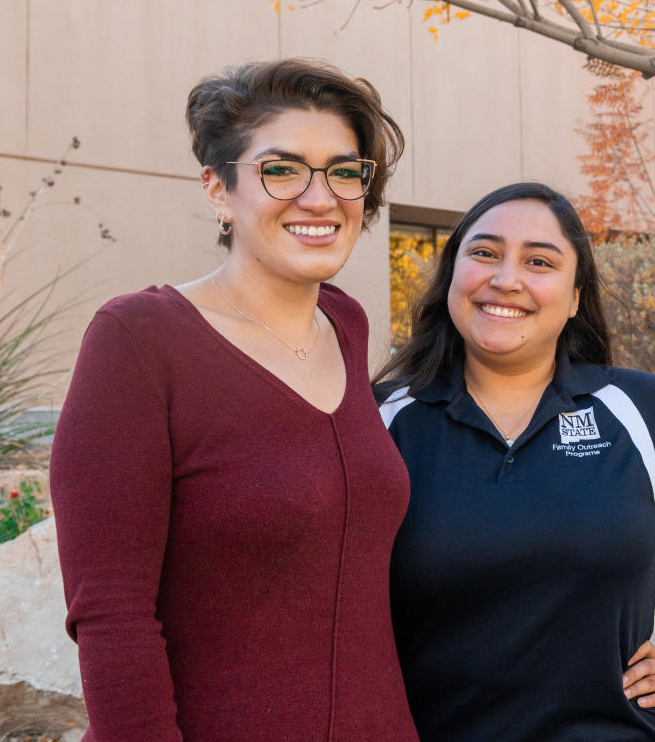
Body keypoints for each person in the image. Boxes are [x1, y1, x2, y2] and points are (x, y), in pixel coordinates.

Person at [49, 58, 418, 742]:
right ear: (218, 189)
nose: (321, 197)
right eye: (282, 170)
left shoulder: (346, 323)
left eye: (345, 171)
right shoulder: (139, 340)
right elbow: (111, 610)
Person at [375, 182, 655, 742]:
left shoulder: (644, 410)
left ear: (575, 297)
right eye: (483, 253)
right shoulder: (379, 420)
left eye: (539, 261)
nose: (506, 279)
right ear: (452, 276)